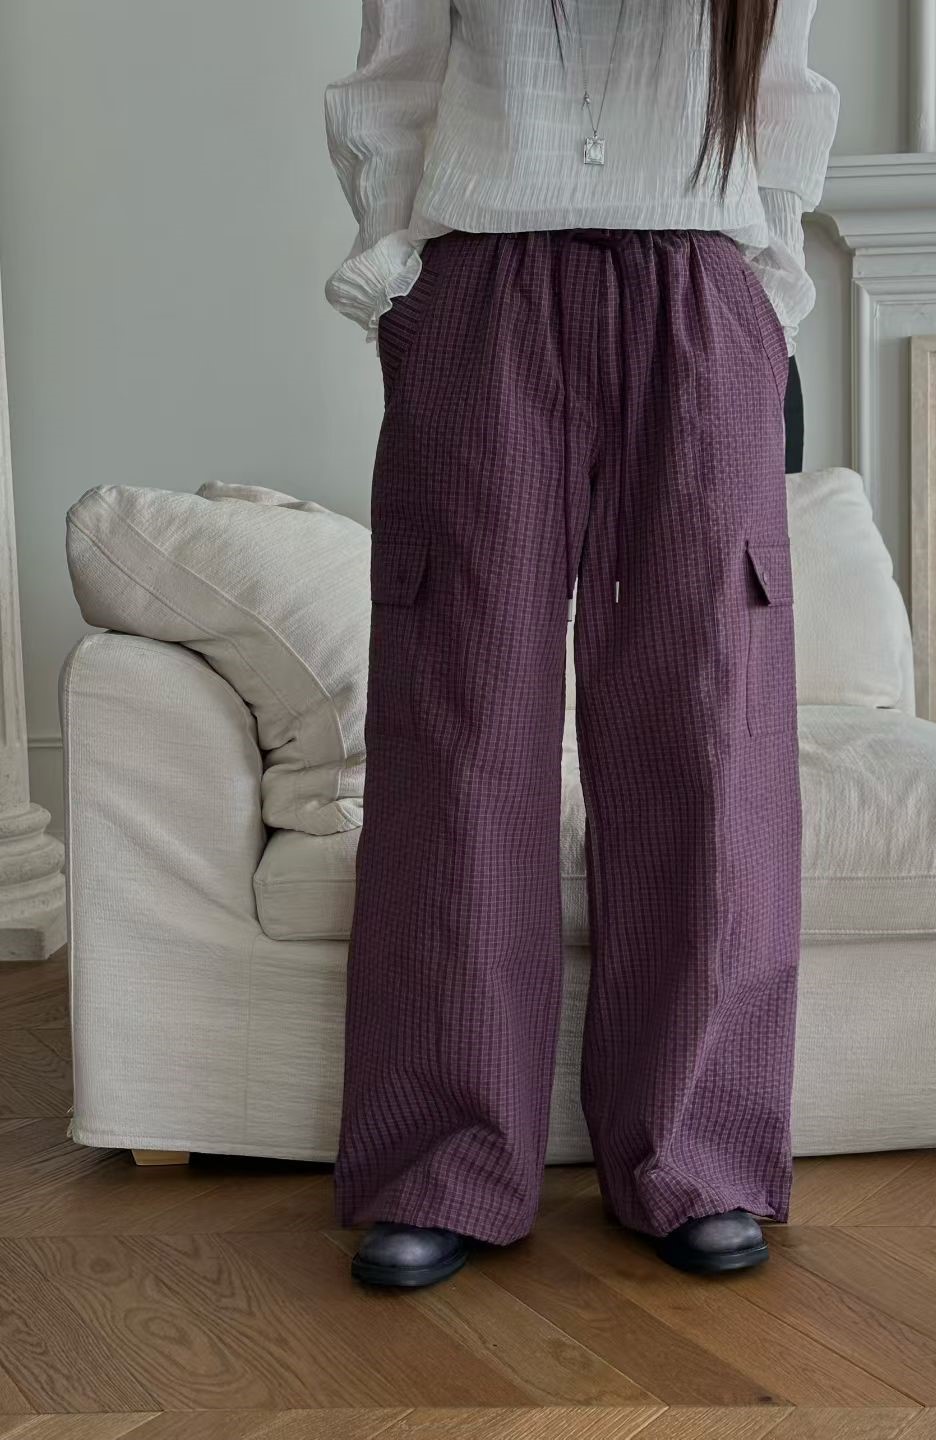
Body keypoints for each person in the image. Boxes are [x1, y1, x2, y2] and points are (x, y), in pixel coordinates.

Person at [324, 0, 839, 1290]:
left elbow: (783, 94)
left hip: (700, 293)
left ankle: (695, 1154)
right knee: (460, 729)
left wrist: (766, 294)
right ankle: (442, 1159)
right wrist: (402, 280)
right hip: (481, 288)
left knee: (707, 731)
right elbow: (394, 81)